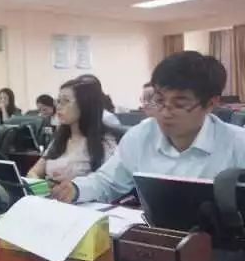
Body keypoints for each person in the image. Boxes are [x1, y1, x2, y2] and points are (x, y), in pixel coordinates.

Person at [53, 51, 245, 204]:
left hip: (221, 239)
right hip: (154, 234)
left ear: (211, 104)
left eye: (179, 104)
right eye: (159, 100)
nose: (165, 112)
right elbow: (108, 181)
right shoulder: (140, 136)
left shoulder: (238, 145)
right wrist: (76, 189)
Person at [29, 80, 116, 181]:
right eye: (58, 101)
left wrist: (71, 185)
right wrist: (42, 186)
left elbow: (107, 182)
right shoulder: (60, 138)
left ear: (84, 104)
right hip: (49, 190)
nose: (58, 107)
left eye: (65, 101)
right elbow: (33, 172)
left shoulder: (104, 142)